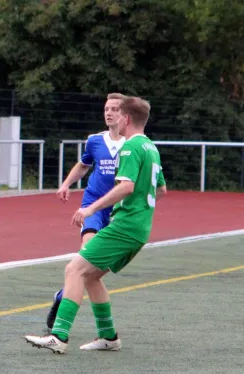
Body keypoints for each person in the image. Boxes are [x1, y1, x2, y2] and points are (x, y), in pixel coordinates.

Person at [24, 96, 167, 354]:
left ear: (127, 118)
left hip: (125, 225)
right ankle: (108, 337)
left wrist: (91, 207)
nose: (113, 116)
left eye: (118, 112)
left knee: (75, 269)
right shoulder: (151, 147)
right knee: (90, 276)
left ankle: (59, 336)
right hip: (138, 227)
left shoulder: (130, 147)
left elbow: (126, 186)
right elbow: (162, 189)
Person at [45, 93, 127, 330]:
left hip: (117, 211)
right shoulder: (94, 141)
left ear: (125, 115)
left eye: (114, 109)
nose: (109, 113)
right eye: (106, 108)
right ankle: (67, 316)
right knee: (87, 255)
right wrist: (65, 184)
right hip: (92, 207)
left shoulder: (133, 144)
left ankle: (62, 296)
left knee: (93, 269)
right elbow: (83, 165)